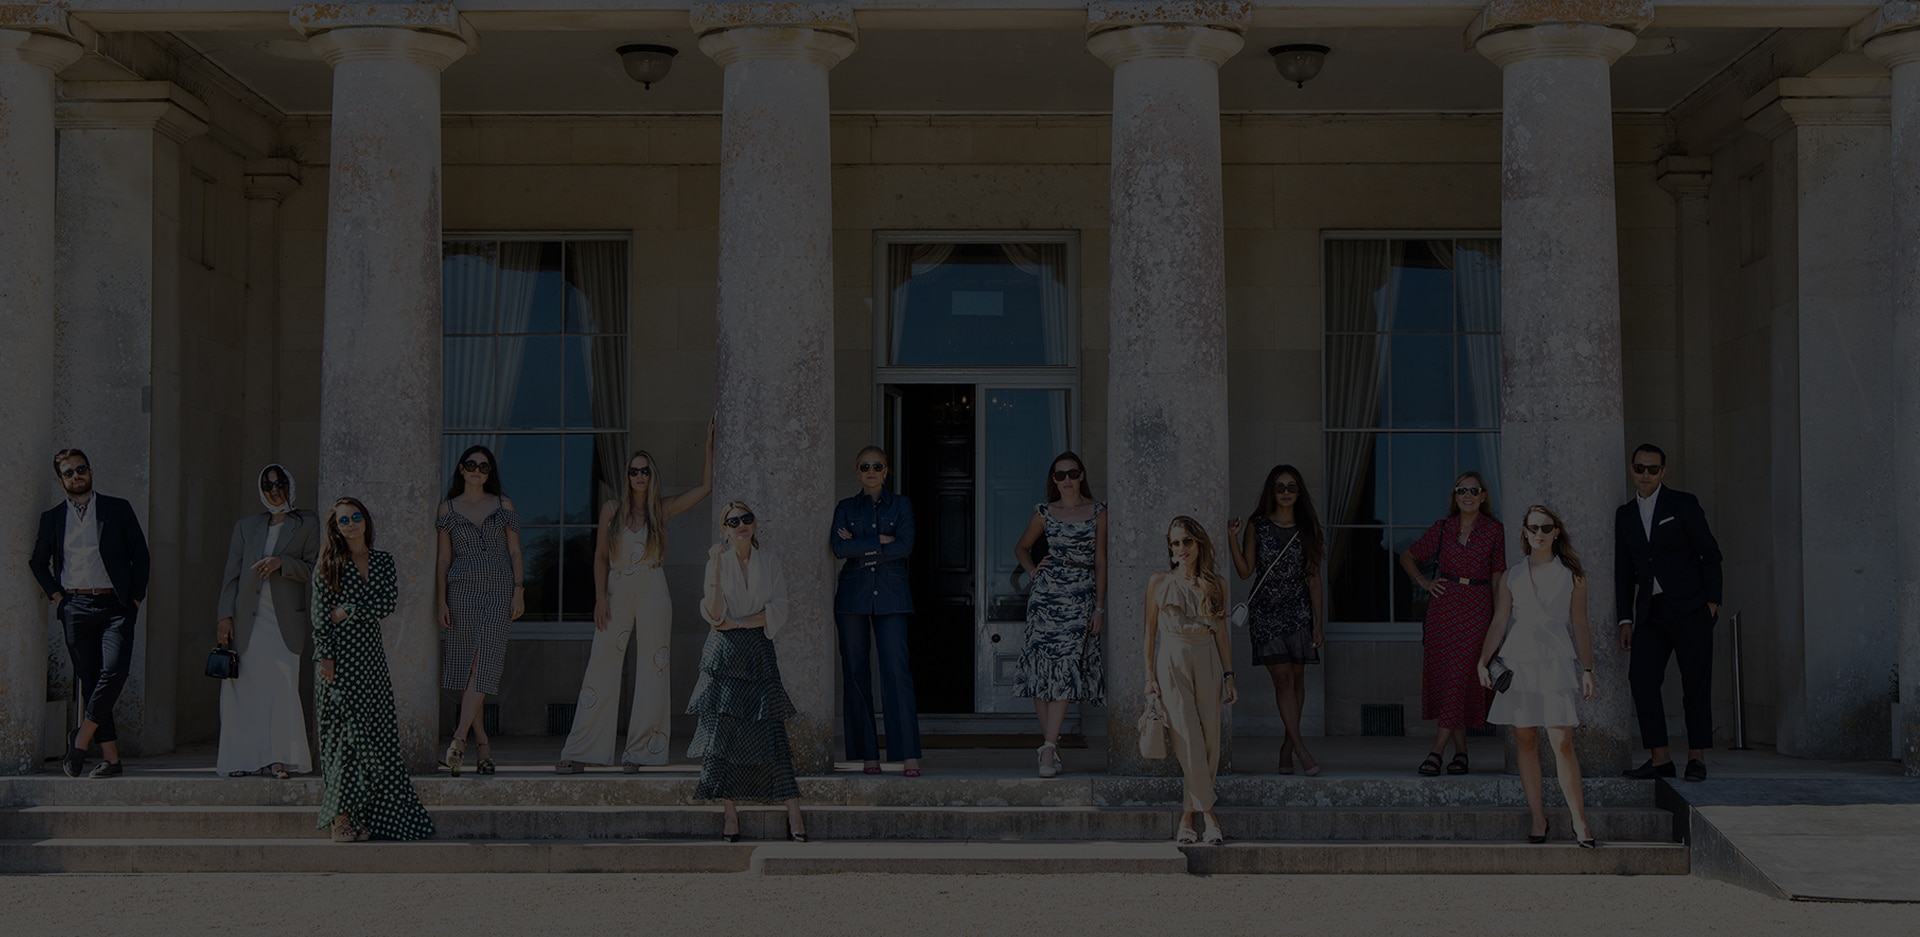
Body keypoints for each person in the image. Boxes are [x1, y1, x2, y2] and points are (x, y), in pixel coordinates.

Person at [557, 422, 714, 773]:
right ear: (627, 476)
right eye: (634, 471)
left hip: (654, 587)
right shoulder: (612, 508)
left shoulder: (661, 509)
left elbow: (705, 487)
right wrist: (600, 597)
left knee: (653, 668)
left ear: (651, 475)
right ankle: (583, 750)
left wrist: (707, 445)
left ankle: (641, 752)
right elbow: (599, 555)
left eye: (645, 470)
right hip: (616, 589)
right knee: (601, 664)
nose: (639, 476)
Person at [313, 498, 434, 842]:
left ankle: (370, 816)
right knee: (344, 741)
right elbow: (321, 617)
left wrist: (349, 609)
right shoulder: (327, 564)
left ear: (365, 520)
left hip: (372, 663)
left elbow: (387, 603)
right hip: (339, 663)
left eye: (355, 517)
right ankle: (340, 818)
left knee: (377, 739)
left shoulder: (382, 561)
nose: (350, 524)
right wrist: (325, 658)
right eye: (343, 520)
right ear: (335, 528)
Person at [1479, 504, 1598, 848]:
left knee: (1561, 740)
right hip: (1519, 660)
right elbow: (1500, 621)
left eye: (1546, 527)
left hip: (1556, 660)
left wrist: (1588, 669)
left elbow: (1579, 623)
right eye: (1533, 528)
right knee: (1526, 739)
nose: (1540, 533)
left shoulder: (1572, 573)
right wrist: (1482, 662)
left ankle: (1580, 822)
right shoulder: (1512, 574)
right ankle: (1538, 818)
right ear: (1526, 533)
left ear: (1557, 532)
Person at [30, 449, 150, 779]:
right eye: (69, 472)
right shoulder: (52, 518)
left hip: (116, 607)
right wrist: (58, 597)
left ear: (91, 471)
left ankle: (81, 737)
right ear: (60, 480)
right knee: (92, 680)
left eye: (81, 469)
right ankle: (111, 759)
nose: (76, 476)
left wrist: (136, 599)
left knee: (114, 670)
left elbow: (140, 555)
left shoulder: (117, 508)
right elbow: (37, 562)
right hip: (76, 607)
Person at [691, 501, 806, 842]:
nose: (741, 524)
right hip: (723, 656)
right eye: (733, 521)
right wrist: (713, 567)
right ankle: (729, 813)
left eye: (747, 518)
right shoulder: (719, 563)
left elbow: (779, 609)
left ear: (754, 524)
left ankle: (794, 812)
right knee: (722, 734)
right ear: (725, 529)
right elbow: (713, 614)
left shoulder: (769, 562)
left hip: (758, 651)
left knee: (772, 731)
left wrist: (739, 621)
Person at [1615, 443, 1723, 782]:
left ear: (1663, 472)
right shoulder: (1626, 514)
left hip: (1691, 608)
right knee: (1641, 679)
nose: (1645, 474)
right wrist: (1625, 618)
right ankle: (1660, 758)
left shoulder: (1683, 504)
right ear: (1632, 470)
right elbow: (1623, 571)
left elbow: (1711, 554)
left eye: (1652, 469)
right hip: (1651, 612)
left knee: (1696, 684)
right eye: (1639, 468)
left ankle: (1697, 757)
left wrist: (1712, 603)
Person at [213, 464, 320, 779]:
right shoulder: (247, 526)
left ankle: (280, 758)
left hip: (285, 622)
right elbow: (231, 575)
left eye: (280, 484)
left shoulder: (308, 523)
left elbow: (316, 569)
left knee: (282, 689)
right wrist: (224, 616)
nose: (275, 491)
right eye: (268, 485)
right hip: (246, 621)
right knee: (243, 692)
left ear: (290, 485)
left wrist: (281, 563)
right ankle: (242, 759)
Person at [1399, 472, 1505, 776]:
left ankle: (1436, 750)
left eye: (1474, 490)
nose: (1468, 495)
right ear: (1455, 496)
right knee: (1450, 681)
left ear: (1483, 496)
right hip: (1442, 610)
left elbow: (1498, 579)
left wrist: (1500, 621)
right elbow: (1407, 557)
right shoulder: (1443, 528)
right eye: (1462, 490)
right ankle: (1461, 752)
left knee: (1460, 676)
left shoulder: (1494, 531)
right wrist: (1423, 580)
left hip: (1477, 608)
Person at [1012, 451, 1107, 778]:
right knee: (1041, 674)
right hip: (1046, 596)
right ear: (1053, 480)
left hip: (1080, 594)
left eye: (1072, 473)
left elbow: (1101, 562)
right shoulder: (1044, 511)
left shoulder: (1097, 511)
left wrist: (1099, 607)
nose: (1066, 480)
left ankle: (1048, 748)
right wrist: (1034, 571)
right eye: (1060, 475)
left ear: (1081, 475)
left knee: (1066, 668)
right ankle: (1049, 745)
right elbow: (1021, 547)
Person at [1227, 464, 1325, 776]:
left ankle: (1286, 746)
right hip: (1266, 611)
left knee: (1297, 679)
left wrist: (1318, 623)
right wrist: (1232, 538)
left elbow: (1313, 579)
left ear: (1299, 493)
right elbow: (1245, 571)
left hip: (1298, 610)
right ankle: (1301, 749)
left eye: (1291, 487)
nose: (1285, 492)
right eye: (1280, 487)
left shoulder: (1307, 526)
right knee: (1282, 679)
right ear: (1271, 491)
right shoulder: (1258, 525)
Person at [1145, 516, 1238, 845]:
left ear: (1199, 544)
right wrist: (1149, 677)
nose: (1181, 548)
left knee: (1210, 741)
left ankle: (1188, 816)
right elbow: (1149, 633)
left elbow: (1223, 634)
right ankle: (1210, 817)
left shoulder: (1217, 584)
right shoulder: (1159, 581)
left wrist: (1229, 677)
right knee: (1187, 739)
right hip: (1171, 660)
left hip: (1208, 658)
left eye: (1186, 541)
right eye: (1175, 543)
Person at [830, 446, 922, 777]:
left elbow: (905, 545)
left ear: (886, 471)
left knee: (896, 672)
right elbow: (839, 548)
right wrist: (880, 542)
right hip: (852, 597)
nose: (871, 470)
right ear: (857, 472)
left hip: (892, 596)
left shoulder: (902, 505)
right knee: (856, 673)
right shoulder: (845, 507)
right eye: (864, 466)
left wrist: (862, 543)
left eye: (877, 465)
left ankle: (908, 754)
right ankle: (869, 754)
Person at [434, 445, 524, 777]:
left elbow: (515, 551)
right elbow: (443, 559)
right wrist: (441, 600)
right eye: (471, 464)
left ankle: (458, 739)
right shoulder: (447, 508)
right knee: (468, 668)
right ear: (460, 468)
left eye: (484, 467)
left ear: (490, 473)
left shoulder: (503, 504)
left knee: (485, 663)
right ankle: (483, 743)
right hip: (461, 591)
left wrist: (519, 589)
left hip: (500, 589)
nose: (477, 470)